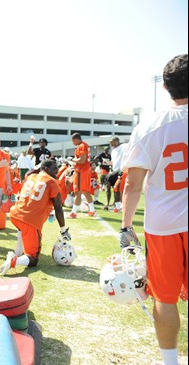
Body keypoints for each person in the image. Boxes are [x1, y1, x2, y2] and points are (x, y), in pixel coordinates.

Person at [120, 54, 188, 365]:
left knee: (165, 298)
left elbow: (132, 185)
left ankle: (171, 361)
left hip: (164, 225)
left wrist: (125, 227)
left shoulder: (150, 126)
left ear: (165, 86)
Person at [0, 160, 71, 275]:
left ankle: (19, 251)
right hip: (28, 220)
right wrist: (63, 230)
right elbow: (58, 207)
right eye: (54, 169)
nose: (57, 171)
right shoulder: (52, 181)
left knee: (22, 228)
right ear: (47, 169)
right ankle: (15, 260)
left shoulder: (31, 176)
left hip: (15, 214)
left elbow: (30, 174)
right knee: (33, 258)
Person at [68, 133, 96, 218]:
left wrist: (72, 159)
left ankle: (73, 213)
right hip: (85, 171)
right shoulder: (85, 145)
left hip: (81, 171)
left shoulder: (82, 146)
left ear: (76, 139)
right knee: (85, 192)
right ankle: (92, 210)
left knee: (78, 192)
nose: (72, 142)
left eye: (73, 140)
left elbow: (82, 160)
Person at [104, 137, 126, 212]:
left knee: (119, 189)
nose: (110, 143)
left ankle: (120, 206)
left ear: (116, 141)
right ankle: (114, 204)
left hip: (121, 170)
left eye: (112, 142)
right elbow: (113, 162)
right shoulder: (113, 151)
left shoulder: (123, 147)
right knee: (111, 186)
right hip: (114, 171)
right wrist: (107, 163)